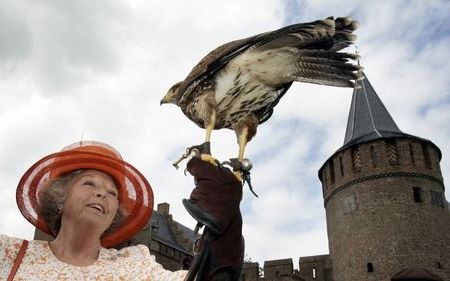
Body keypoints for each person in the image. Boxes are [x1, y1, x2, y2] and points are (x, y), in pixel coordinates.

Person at [1, 141, 244, 280]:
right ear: (59, 198)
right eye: (89, 183)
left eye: (112, 193)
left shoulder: (133, 266)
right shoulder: (10, 253)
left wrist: (226, 227)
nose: (102, 194)